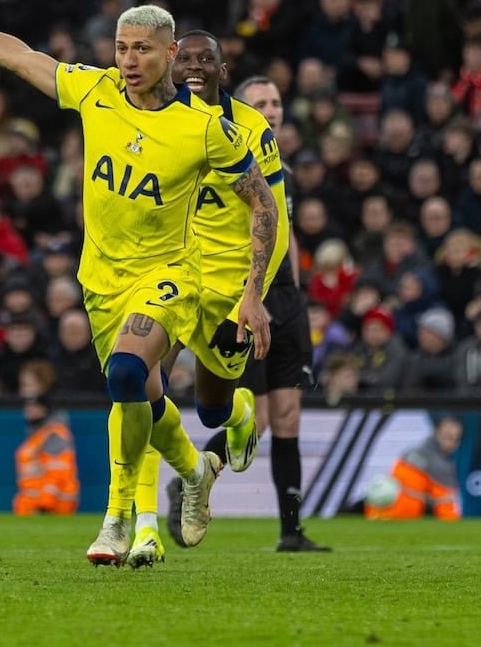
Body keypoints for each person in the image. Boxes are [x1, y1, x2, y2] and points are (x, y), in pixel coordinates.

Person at [0, 0, 278, 567]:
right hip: (102, 279)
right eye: (122, 48)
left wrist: (253, 293)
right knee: (138, 393)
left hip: (170, 275)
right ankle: (195, 470)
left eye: (143, 50)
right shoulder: (96, 91)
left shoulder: (205, 130)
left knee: (128, 371)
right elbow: (20, 56)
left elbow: (264, 206)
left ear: (171, 53)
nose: (128, 60)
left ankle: (118, 517)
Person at [128, 37, 291, 567]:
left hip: (229, 286)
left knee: (212, 405)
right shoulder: (156, 119)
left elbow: (273, 215)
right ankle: (143, 527)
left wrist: (254, 292)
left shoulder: (251, 129)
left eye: (205, 60)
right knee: (142, 382)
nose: (194, 67)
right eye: (185, 59)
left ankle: (239, 414)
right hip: (175, 273)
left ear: (224, 69)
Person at [165, 73, 331, 553]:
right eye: (261, 102)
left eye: (277, 102)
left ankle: (291, 531)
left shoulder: (282, 170)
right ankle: (193, 475)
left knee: (288, 415)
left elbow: (287, 232)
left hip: (284, 301)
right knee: (253, 418)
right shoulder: (217, 159)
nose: (272, 110)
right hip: (241, 296)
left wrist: (296, 298)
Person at [13, 359, 80, 516]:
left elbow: (58, 470)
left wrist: (44, 504)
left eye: (27, 385)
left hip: (53, 507)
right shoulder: (37, 428)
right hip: (36, 505)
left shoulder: (54, 429)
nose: (23, 392)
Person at [364, 416, 462, 521]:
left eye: (455, 439)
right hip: (404, 514)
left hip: (378, 512)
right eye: (447, 437)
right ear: (436, 433)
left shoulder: (410, 452)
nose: (450, 443)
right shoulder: (440, 464)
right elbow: (445, 504)